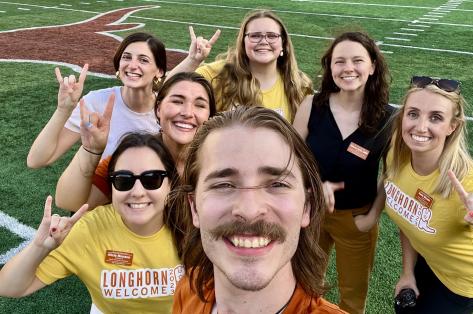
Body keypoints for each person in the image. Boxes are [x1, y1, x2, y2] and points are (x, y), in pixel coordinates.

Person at [172, 106, 346, 313]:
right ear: (194, 208)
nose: (250, 210)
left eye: (277, 185)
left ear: (306, 207)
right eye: (224, 185)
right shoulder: (187, 291)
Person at [0, 133, 186, 313]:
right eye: (123, 181)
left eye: (152, 179)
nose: (137, 191)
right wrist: (39, 247)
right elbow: (9, 287)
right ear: (112, 187)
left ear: (170, 184)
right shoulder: (89, 230)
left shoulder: (194, 225)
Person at [293, 31, 394, 314]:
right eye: (339, 61)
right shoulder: (312, 105)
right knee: (306, 283)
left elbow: (392, 174)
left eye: (357, 60)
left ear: (372, 66)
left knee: (352, 295)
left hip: (356, 218)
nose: (348, 68)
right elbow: (292, 157)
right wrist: (311, 188)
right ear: (330, 67)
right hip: (310, 213)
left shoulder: (388, 118)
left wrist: (372, 216)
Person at [383, 77, 473, 313]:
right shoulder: (398, 152)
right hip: (430, 259)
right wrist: (407, 273)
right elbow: (407, 221)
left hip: (463, 281)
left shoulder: (470, 182)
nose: (420, 127)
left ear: (452, 126)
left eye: (435, 117)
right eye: (413, 113)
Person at [54, 72, 216, 212]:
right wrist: (90, 149)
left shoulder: (219, 159)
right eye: (177, 101)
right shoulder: (133, 153)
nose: (187, 112)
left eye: (199, 105)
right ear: (158, 109)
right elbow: (69, 202)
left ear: (209, 116)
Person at [27, 32, 166, 167]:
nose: (132, 65)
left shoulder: (168, 110)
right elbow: (36, 161)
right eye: (127, 57)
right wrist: (63, 110)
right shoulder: (96, 101)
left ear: (159, 71)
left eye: (143, 60)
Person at [168, 10, 312, 122]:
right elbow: (168, 89)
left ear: (283, 44)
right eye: (255, 36)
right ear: (243, 43)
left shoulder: (299, 85)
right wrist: (193, 60)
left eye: (271, 36)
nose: (263, 41)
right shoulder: (219, 74)